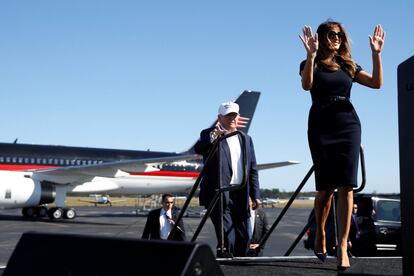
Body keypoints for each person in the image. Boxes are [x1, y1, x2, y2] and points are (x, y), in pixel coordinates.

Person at [299, 20, 385, 270]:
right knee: (325, 190)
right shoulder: (310, 63)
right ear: (322, 37)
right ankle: (320, 235)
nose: (337, 38)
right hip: (321, 125)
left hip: (348, 124)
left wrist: (376, 54)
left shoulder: (348, 65)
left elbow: (377, 83)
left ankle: (343, 246)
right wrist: (311, 54)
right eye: (331, 34)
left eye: (340, 35)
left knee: (347, 186)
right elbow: (307, 86)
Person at [194, 101, 261, 257]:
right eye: (228, 115)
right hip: (219, 193)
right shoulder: (209, 133)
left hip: (240, 191)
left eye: (234, 115)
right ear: (219, 117)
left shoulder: (246, 139)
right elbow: (199, 148)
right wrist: (214, 136)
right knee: (227, 239)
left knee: (244, 238)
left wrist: (255, 194)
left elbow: (252, 168)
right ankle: (225, 260)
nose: (232, 118)